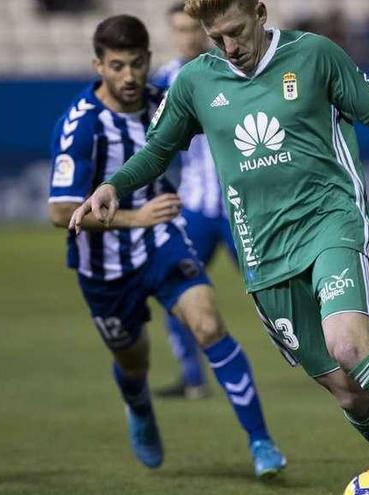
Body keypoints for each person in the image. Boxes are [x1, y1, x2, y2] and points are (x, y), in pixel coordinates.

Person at [70, 1, 369, 494]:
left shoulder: (316, 55)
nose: (229, 48)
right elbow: (157, 150)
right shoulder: (196, 81)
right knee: (348, 395)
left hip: (330, 222)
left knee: (347, 345)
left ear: (260, 13)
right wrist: (114, 185)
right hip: (263, 254)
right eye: (217, 38)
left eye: (236, 32)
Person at [47, 14, 286, 478]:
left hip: (162, 242)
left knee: (209, 325)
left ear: (149, 60)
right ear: (99, 66)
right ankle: (138, 407)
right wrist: (135, 216)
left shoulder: (167, 101)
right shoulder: (80, 125)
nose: (129, 76)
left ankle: (262, 443)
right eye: (117, 66)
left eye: (137, 64)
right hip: (105, 266)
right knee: (134, 361)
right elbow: (60, 212)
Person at [148, 2, 233, 400]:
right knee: (175, 291)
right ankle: (192, 379)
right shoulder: (161, 81)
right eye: (180, 29)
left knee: (275, 290)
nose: (188, 36)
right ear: (171, 33)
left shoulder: (231, 70)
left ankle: (325, 364)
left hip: (239, 208)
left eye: (193, 28)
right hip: (194, 208)